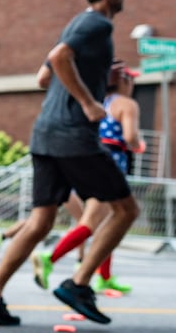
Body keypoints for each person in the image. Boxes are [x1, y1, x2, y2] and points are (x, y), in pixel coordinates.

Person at [0, 0, 139, 326]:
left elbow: (43, 77)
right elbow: (58, 59)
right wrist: (89, 102)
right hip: (73, 136)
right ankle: (79, 283)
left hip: (45, 134)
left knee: (42, 220)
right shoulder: (97, 22)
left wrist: (96, 75)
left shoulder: (77, 22)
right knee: (126, 210)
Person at [30, 62, 145, 293]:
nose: (131, 84)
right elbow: (130, 136)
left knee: (108, 223)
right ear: (122, 81)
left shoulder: (98, 101)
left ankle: (104, 276)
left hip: (85, 162)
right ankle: (49, 257)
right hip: (108, 168)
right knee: (95, 223)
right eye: (130, 79)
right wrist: (138, 145)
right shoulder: (126, 104)